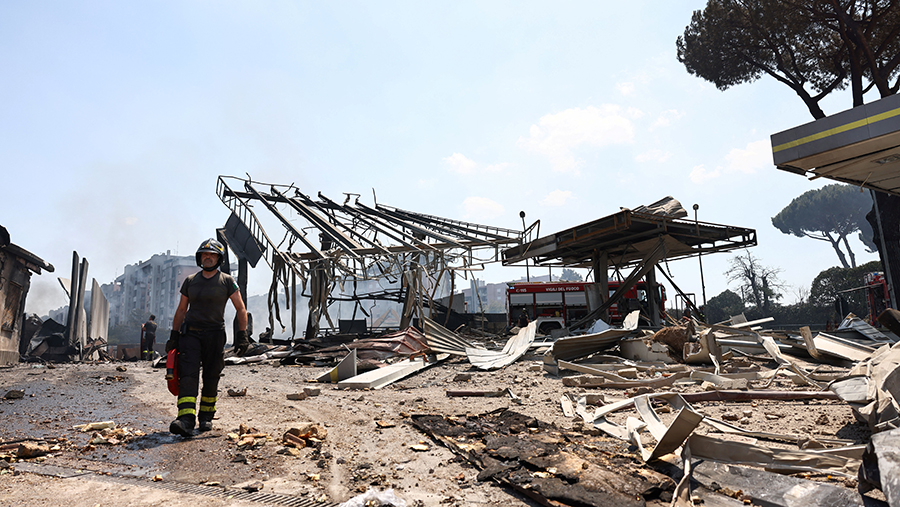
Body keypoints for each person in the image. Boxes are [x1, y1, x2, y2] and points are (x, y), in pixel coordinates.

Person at [166, 239, 249, 437]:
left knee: (211, 376)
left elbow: (240, 308)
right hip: (191, 335)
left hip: (215, 334)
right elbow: (181, 309)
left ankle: (206, 417)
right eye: (204, 254)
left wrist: (242, 335)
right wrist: (174, 335)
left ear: (219, 259)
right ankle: (185, 419)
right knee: (188, 376)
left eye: (212, 255)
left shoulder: (227, 281)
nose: (208, 257)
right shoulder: (190, 281)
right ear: (199, 258)